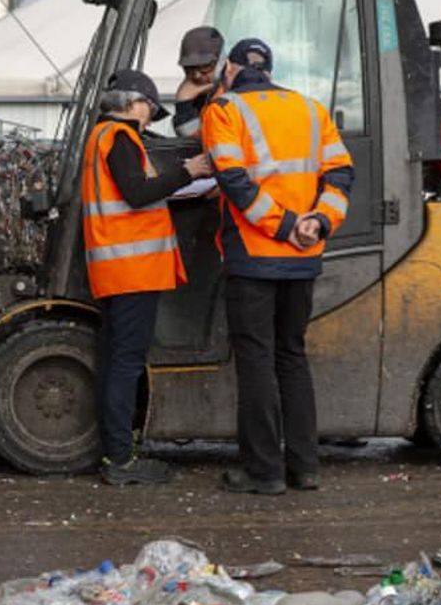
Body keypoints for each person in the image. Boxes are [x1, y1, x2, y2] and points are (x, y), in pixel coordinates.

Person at [200, 39, 355, 495]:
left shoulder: (224, 109)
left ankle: (264, 471)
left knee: (256, 361)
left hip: (255, 255)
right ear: (269, 70)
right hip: (304, 258)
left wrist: (285, 225)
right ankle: (305, 467)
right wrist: (319, 221)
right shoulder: (310, 109)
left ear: (230, 69)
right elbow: (341, 174)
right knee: (292, 356)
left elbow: (232, 180)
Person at [83, 69, 213, 485]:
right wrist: (189, 171)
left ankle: (116, 452)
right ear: (132, 103)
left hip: (118, 267)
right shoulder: (119, 138)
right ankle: (120, 459)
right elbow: (137, 193)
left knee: (116, 360)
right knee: (126, 362)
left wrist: (179, 188)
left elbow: (135, 196)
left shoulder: (101, 138)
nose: (148, 116)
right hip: (131, 270)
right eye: (148, 108)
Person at [172, 26, 225, 138]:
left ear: (221, 61)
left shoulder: (232, 94)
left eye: (205, 67)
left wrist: (184, 102)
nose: (197, 75)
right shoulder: (199, 94)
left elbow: (198, 142)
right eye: (189, 68)